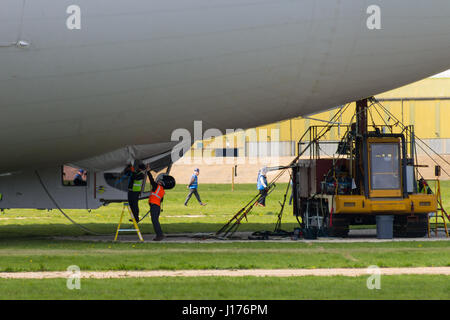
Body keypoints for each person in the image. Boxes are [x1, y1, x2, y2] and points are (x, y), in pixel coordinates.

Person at [147, 164, 166, 241]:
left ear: (159, 182)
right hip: (157, 207)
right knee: (156, 221)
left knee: (154, 221)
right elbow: (160, 200)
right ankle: (160, 234)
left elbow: (151, 180)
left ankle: (159, 235)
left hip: (154, 206)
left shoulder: (156, 187)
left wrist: (148, 171)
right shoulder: (162, 191)